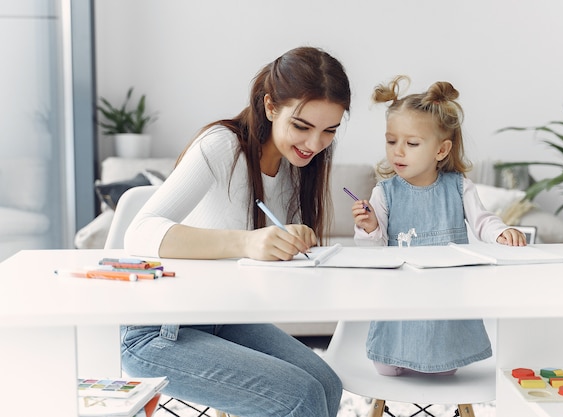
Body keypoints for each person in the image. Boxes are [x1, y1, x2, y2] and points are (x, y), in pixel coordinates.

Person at [121, 46, 351, 417]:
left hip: (225, 317)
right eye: (302, 127)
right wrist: (248, 243)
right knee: (300, 396)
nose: (314, 144)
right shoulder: (221, 146)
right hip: (159, 331)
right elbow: (140, 232)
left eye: (329, 131)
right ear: (271, 107)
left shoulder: (298, 166)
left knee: (326, 384)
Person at [351, 75, 526, 377]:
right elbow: (374, 250)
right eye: (391, 141)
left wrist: (501, 232)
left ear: (441, 150)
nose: (398, 151)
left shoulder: (459, 187)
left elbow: (483, 221)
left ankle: (440, 359)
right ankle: (395, 355)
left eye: (412, 143)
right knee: (385, 368)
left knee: (444, 372)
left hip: (447, 295)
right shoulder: (384, 192)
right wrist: (369, 227)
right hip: (400, 297)